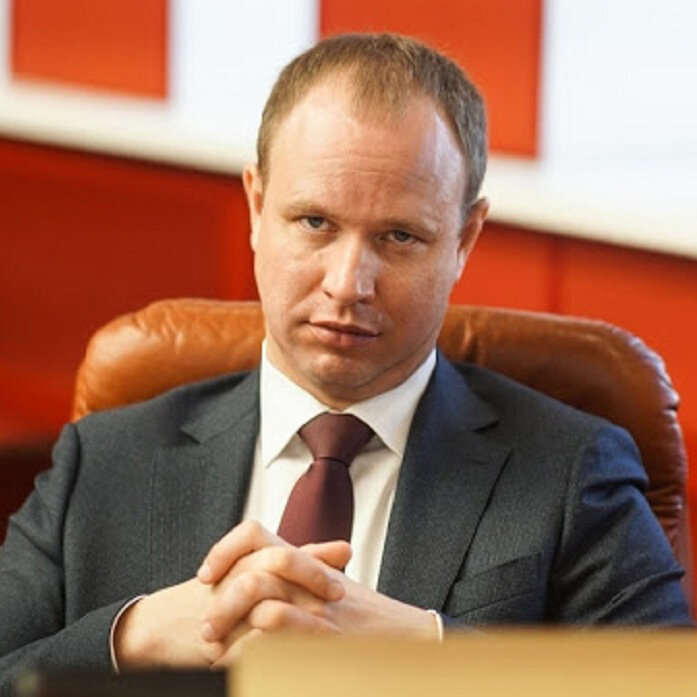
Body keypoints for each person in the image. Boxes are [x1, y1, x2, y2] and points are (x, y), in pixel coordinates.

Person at [0, 33, 691, 686]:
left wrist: (429, 653)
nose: (347, 283)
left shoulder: (571, 470)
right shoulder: (107, 460)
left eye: (399, 237)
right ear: (256, 206)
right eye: (314, 222)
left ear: (463, 239)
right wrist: (130, 637)